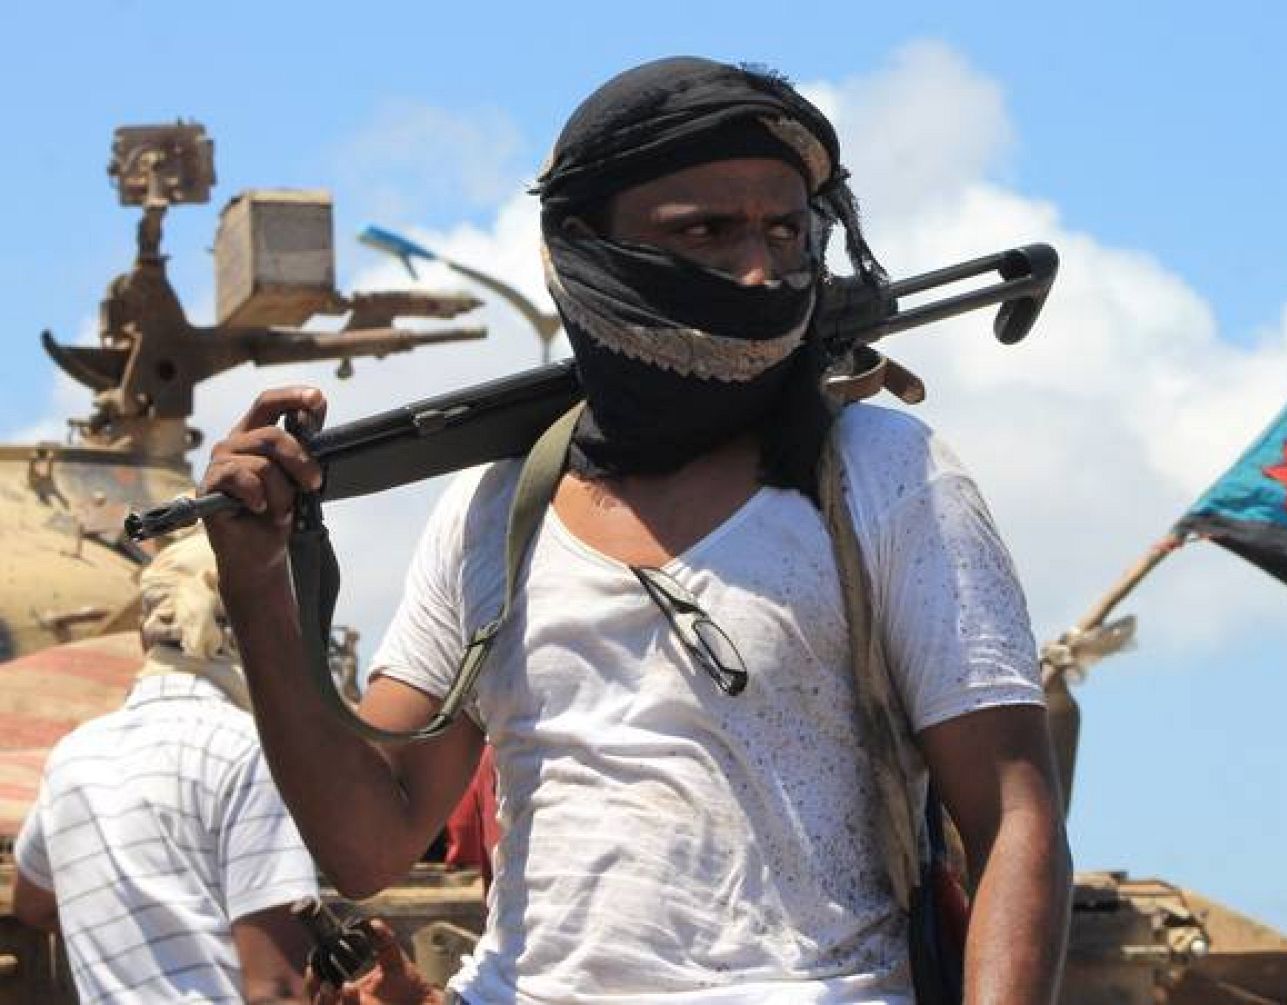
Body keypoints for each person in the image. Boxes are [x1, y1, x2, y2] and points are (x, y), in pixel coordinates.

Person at [205, 56, 1070, 1004]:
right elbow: (367, 842)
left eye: (786, 231)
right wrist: (255, 585)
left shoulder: (885, 475)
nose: (758, 269)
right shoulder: (495, 511)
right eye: (704, 231)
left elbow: (1013, 817)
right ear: (580, 247)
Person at [11, 532, 319, 1004]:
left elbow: (31, 903)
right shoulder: (250, 751)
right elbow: (277, 988)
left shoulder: (73, 758)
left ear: (144, 635)